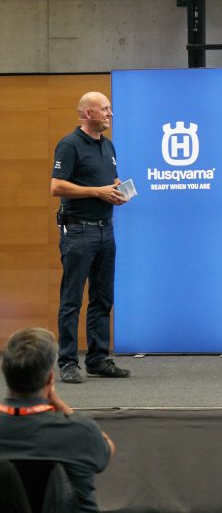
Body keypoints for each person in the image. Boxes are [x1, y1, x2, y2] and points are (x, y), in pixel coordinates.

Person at [51, 92, 130, 383]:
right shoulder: (69, 144)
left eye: (110, 108)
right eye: (104, 109)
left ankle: (97, 360)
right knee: (72, 300)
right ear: (87, 114)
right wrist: (97, 192)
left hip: (105, 230)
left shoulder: (108, 145)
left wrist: (116, 189)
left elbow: (108, 180)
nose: (110, 113)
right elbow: (57, 187)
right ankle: (68, 362)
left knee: (102, 297)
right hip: (78, 231)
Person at [0, 327, 115, 512]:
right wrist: (61, 405)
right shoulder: (81, 431)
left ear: (4, 371)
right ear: (50, 379)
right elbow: (107, 449)